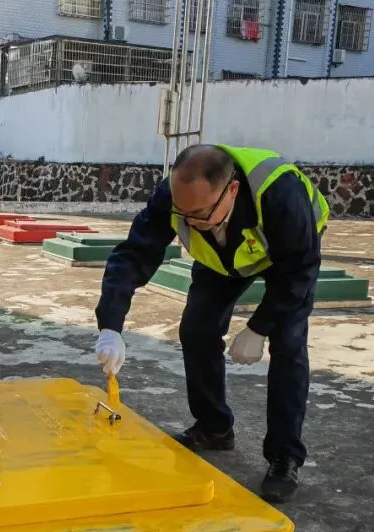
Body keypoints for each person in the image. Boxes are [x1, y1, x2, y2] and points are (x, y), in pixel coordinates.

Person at [92, 143, 329, 503]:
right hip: (222, 257)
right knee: (197, 330)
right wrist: (111, 325)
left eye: (200, 214)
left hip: (288, 254)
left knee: (289, 342)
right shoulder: (176, 196)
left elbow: (299, 272)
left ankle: (285, 455)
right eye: (182, 213)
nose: (189, 223)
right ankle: (214, 427)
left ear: (231, 190)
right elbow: (135, 253)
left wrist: (258, 327)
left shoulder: (281, 193)